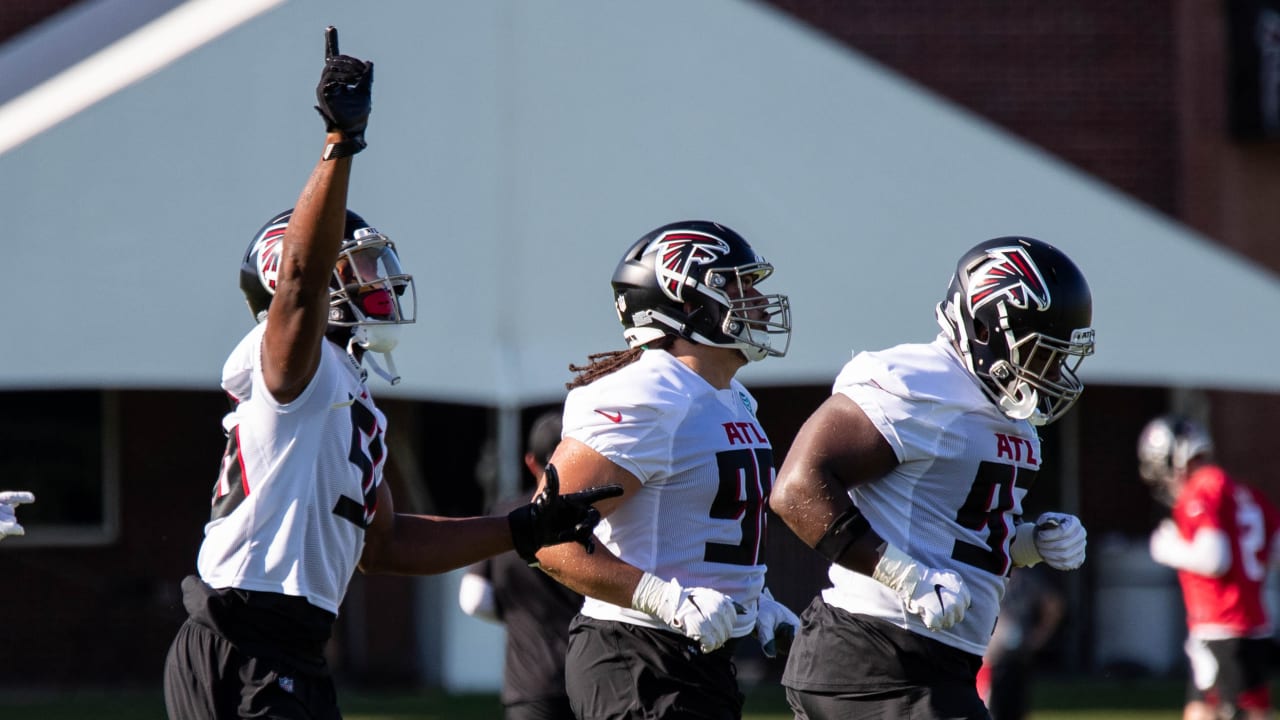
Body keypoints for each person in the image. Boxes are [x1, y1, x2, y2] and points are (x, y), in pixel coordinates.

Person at [162, 28, 620, 720]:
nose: (377, 282)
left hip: (292, 643)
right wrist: (340, 144)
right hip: (242, 635)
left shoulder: (343, 391)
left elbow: (389, 544)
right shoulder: (295, 369)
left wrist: (524, 527)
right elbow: (300, 286)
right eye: (358, 267)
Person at [770, 236, 1096, 720]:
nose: (1050, 370)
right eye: (1039, 352)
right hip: (875, 651)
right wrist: (902, 575)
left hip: (930, 661)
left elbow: (953, 539)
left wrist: (1028, 543)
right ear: (985, 329)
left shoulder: (1008, 410)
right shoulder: (915, 382)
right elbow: (797, 488)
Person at [531, 220, 801, 720]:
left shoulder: (733, 398)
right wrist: (662, 598)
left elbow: (697, 523)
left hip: (697, 656)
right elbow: (546, 539)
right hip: (637, 653)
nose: (758, 300)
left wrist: (754, 598)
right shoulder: (648, 396)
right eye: (737, 285)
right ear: (685, 302)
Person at [1139, 414, 1280, 720]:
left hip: (1220, 624)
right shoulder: (1243, 492)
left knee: (1226, 712)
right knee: (1221, 709)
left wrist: (1168, 548)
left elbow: (1214, 558)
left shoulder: (1203, 489)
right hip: (1253, 622)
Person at [459, 410, 582, 720]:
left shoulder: (505, 515)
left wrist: (518, 615)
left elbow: (473, 600)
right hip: (591, 679)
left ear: (531, 461)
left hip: (530, 685)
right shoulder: (597, 516)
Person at [976, 564, 1066, 720]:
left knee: (1016, 710)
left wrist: (1038, 637)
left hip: (1019, 658)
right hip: (992, 661)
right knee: (990, 711)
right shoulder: (987, 577)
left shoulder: (1029, 579)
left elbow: (1054, 606)